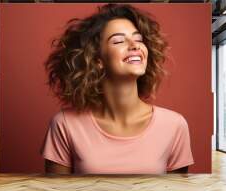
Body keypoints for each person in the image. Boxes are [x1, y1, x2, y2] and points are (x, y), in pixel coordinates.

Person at [40, 3, 194, 174]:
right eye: (119, 41)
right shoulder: (65, 124)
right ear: (97, 60)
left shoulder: (174, 125)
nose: (135, 46)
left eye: (139, 39)